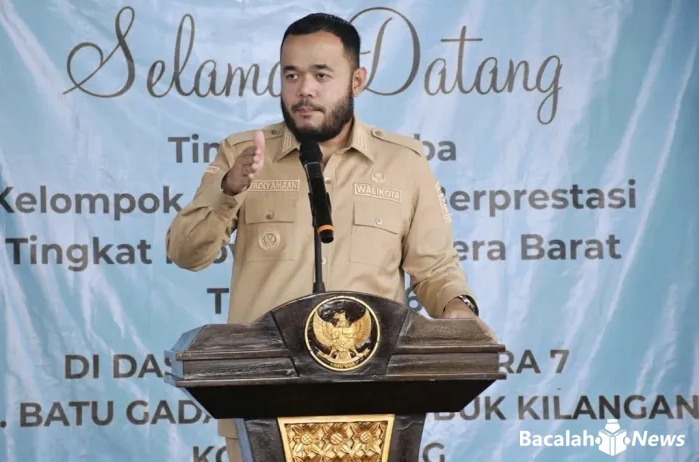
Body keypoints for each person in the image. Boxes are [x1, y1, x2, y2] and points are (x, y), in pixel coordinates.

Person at [166, 12, 493, 462]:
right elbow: (186, 253)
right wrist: (228, 190)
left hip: (376, 408)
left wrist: (458, 311)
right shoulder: (243, 154)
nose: (304, 89)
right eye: (291, 75)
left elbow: (436, 270)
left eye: (321, 75)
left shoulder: (404, 163)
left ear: (356, 81)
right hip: (263, 405)